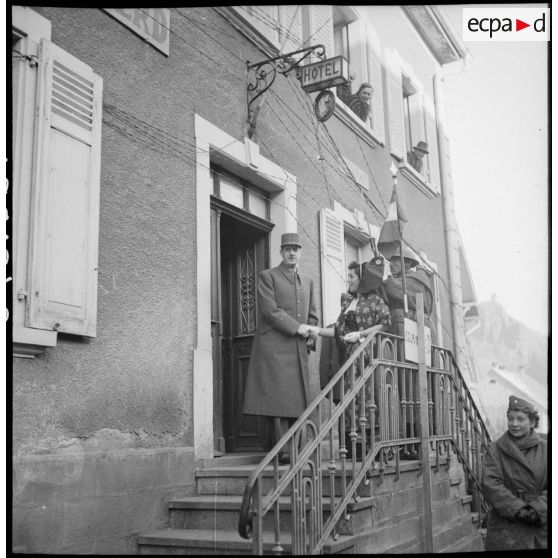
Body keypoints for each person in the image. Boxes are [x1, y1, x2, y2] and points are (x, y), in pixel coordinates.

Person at [242, 232, 319, 464]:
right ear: (281, 252)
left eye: (295, 248)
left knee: (297, 400)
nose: (292, 253)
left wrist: (309, 337)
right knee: (278, 400)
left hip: (297, 348)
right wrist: (297, 328)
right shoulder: (268, 276)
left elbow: (312, 315)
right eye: (287, 249)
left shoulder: (307, 282)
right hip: (275, 347)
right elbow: (270, 311)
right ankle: (282, 451)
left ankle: (296, 449)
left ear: (300, 252)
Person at [313, 259, 390, 457]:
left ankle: (374, 450)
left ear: (362, 279)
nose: (348, 279)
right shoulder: (350, 302)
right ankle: (355, 450)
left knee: (369, 400)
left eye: (352, 276)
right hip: (350, 359)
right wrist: (317, 331)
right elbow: (341, 331)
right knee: (352, 402)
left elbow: (384, 324)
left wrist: (361, 334)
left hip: (368, 357)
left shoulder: (375, 301)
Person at [481, 396, 547, 550]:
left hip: (540, 522)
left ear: (532, 422)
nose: (514, 424)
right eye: (510, 419)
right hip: (506, 526)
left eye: (520, 419)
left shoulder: (547, 449)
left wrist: (537, 509)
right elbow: (490, 485)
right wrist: (519, 510)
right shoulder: (495, 449)